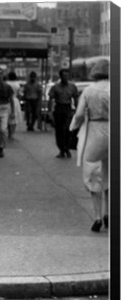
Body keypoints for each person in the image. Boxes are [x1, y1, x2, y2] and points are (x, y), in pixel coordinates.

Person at [69, 58, 110, 232]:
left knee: (93, 172)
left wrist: (73, 127)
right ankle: (110, 214)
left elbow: (79, 115)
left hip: (95, 130)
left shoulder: (88, 91)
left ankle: (97, 216)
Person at [48, 69, 79, 158]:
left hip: (68, 108)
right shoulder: (55, 87)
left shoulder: (72, 86)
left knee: (68, 129)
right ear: (60, 76)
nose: (65, 77)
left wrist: (77, 110)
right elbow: (51, 99)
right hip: (59, 108)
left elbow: (75, 98)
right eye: (64, 75)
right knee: (59, 130)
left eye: (67, 75)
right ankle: (62, 149)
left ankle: (67, 148)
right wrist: (50, 111)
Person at [5, 71, 23, 139]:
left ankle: (9, 132)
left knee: (8, 117)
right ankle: (12, 133)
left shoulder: (6, 83)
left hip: (7, 101)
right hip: (15, 101)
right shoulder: (17, 84)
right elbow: (19, 94)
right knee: (15, 118)